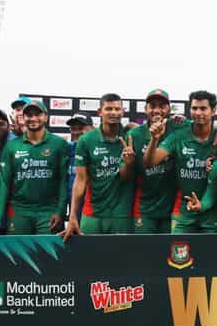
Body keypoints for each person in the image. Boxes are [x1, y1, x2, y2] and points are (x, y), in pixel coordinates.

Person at [0, 99, 70, 238]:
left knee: (47, 256)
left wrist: (60, 211)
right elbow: (3, 184)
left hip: (48, 211)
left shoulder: (59, 144)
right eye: (29, 115)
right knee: (18, 256)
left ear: (46, 117)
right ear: (23, 118)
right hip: (19, 210)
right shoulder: (12, 146)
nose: (33, 118)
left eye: (38, 114)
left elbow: (63, 182)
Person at [144, 90, 217, 233]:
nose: (198, 113)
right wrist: (154, 139)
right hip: (183, 211)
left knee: (213, 254)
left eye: (203, 108)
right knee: (177, 254)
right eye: (194, 108)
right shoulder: (179, 136)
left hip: (212, 211)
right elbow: (150, 162)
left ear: (213, 111)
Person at [63, 94, 135, 238]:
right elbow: (80, 180)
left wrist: (129, 163)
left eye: (117, 109)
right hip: (92, 213)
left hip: (121, 214)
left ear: (123, 112)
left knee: (123, 259)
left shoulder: (131, 136)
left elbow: (125, 176)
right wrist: (72, 217)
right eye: (108, 109)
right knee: (88, 259)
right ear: (99, 112)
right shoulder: (86, 140)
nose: (113, 112)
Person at [127, 89, 184, 234]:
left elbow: (211, 127)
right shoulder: (134, 135)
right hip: (144, 208)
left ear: (169, 109)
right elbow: (126, 176)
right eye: (152, 106)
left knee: (168, 254)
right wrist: (128, 163)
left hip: (171, 208)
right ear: (145, 109)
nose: (157, 110)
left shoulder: (178, 128)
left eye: (162, 106)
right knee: (143, 254)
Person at [64, 112, 94, 225]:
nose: (76, 132)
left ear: (92, 128)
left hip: (94, 207)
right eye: (73, 128)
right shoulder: (67, 149)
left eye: (81, 128)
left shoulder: (100, 149)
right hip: (74, 207)